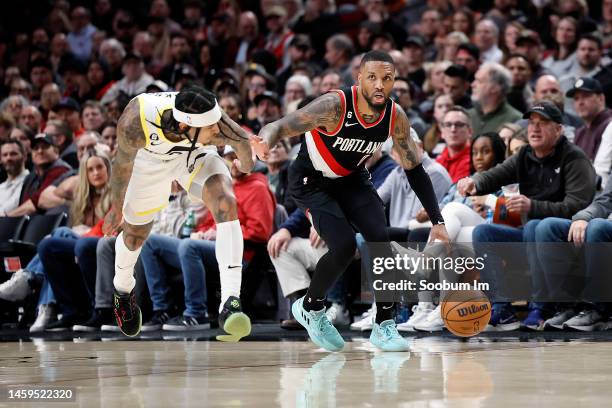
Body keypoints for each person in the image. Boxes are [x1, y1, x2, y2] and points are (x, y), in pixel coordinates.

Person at [252, 50, 450, 352]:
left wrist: (438, 222)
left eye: (387, 78)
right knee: (343, 245)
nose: (380, 85)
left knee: (379, 237)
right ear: (359, 79)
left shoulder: (395, 117)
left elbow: (414, 168)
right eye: (372, 77)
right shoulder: (333, 106)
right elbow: (280, 125)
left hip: (352, 178)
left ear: (395, 80)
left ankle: (385, 325)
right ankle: (311, 307)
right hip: (311, 180)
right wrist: (264, 141)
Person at [102, 85, 257, 341]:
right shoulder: (136, 120)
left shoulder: (205, 115)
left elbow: (239, 139)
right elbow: (120, 167)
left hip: (194, 151)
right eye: (211, 128)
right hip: (149, 160)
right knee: (134, 235)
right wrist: (116, 208)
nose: (217, 131)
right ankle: (123, 289)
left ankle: (230, 302)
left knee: (226, 202)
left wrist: (248, 162)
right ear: (185, 126)